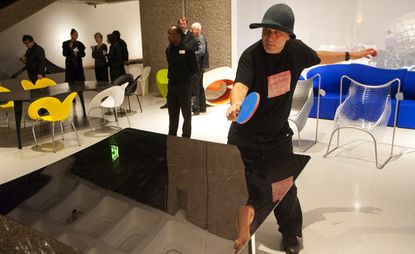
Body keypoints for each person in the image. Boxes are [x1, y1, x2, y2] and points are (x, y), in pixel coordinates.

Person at [226, 4, 377, 254]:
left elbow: (321, 56)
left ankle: (290, 234)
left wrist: (355, 55)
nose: (270, 38)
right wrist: (236, 103)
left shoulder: (295, 52)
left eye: (277, 33)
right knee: (239, 185)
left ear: (288, 36)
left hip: (277, 137)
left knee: (284, 188)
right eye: (266, 31)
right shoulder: (250, 56)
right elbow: (240, 84)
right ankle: (242, 230)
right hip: (245, 136)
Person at [166, 25, 198, 138]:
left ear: (178, 35)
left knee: (186, 113)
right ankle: (172, 135)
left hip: (184, 85)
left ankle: (186, 136)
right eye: (168, 34)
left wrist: (192, 88)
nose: (169, 36)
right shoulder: (168, 50)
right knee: (172, 113)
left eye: (171, 34)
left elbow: (195, 70)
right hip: (172, 85)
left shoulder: (188, 50)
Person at [190, 22, 208, 115]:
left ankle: (196, 109)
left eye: (192, 29)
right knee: (200, 87)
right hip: (200, 67)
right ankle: (202, 107)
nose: (191, 31)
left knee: (195, 88)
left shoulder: (199, 37)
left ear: (197, 30)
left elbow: (201, 51)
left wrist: (191, 54)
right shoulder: (200, 37)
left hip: (198, 67)